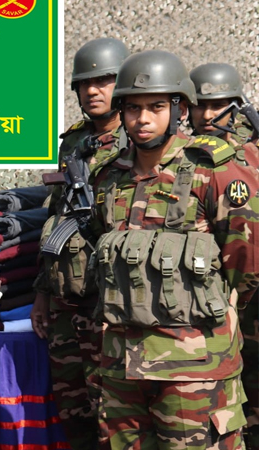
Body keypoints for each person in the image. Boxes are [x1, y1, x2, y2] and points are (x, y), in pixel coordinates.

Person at [90, 50, 259, 449]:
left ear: (179, 109)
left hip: (194, 371)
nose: (143, 119)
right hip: (122, 371)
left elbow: (247, 266)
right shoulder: (108, 178)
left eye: (156, 107)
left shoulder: (215, 171)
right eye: (133, 108)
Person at [31, 37, 129, 450]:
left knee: (114, 414)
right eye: (84, 84)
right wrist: (42, 293)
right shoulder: (72, 142)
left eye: (103, 81)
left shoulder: (137, 140)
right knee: (74, 412)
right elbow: (58, 215)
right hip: (66, 300)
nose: (92, 91)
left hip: (111, 301)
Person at [189, 61, 259, 450]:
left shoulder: (243, 154)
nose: (207, 115)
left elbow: (245, 240)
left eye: (217, 105)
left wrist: (239, 299)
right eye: (199, 105)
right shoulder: (189, 157)